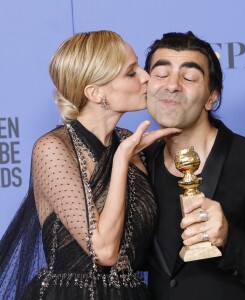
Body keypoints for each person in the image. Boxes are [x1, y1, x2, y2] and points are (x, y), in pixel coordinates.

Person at [0, 30, 180, 300]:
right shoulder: (52, 148)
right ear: (96, 93)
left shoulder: (129, 142)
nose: (146, 77)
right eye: (131, 73)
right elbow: (104, 251)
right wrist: (121, 159)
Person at [144, 31, 245, 299]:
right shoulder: (140, 163)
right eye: (160, 74)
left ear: (211, 97)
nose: (172, 85)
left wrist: (229, 239)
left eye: (190, 77)